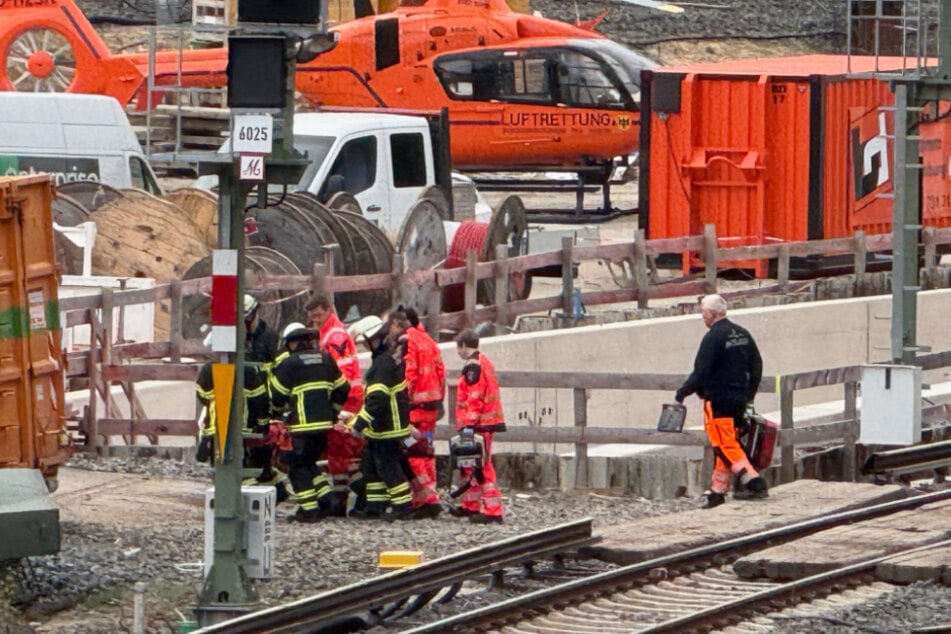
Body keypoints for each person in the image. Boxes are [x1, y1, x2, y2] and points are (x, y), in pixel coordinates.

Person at [675, 294, 768, 509]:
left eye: (703, 312)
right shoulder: (742, 334)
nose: (702, 317)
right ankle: (718, 491)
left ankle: (755, 482)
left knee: (724, 444)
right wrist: (749, 395)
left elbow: (701, 371)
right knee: (726, 444)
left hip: (718, 401)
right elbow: (757, 366)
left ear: (711, 313)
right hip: (739, 400)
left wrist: (683, 393)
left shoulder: (713, 338)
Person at [270, 328, 350, 523]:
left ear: (294, 344)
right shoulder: (326, 359)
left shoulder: (290, 363)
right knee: (308, 463)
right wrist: (333, 411)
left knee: (296, 466)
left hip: (301, 427)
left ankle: (308, 510)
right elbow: (343, 388)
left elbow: (277, 396)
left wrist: (276, 414)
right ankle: (326, 499)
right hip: (324, 426)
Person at [345, 312, 417, 520]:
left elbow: (377, 400)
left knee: (388, 467)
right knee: (371, 465)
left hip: (387, 427)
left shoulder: (382, 365)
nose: (364, 347)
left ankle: (403, 506)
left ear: (372, 339)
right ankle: (374, 506)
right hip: (385, 427)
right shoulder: (387, 359)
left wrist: (358, 424)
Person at [306, 293, 365, 513]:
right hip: (346, 399)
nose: (316, 320)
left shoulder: (334, 336)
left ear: (329, 310)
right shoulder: (328, 334)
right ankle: (343, 496)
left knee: (341, 449)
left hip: (346, 401)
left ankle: (348, 496)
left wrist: (333, 400)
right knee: (340, 450)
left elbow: (342, 371)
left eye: (319, 315)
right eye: (313, 317)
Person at [452, 328, 506, 524]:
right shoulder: (484, 361)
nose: (458, 352)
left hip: (478, 425)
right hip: (485, 423)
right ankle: (471, 505)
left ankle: (493, 510)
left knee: (481, 466)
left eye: (458, 348)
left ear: (464, 346)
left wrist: (468, 425)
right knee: (471, 464)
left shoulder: (473, 367)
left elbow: (474, 398)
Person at [402, 307, 446, 518]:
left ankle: (425, 499)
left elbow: (409, 374)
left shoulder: (409, 340)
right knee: (426, 450)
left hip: (416, 408)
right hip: (432, 407)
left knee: (414, 453)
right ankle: (432, 494)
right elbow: (441, 372)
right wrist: (440, 401)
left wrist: (402, 401)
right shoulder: (428, 339)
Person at [243, 294, 279, 364]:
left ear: (255, 312)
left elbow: (272, 363)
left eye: (248, 317)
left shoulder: (269, 335)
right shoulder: (237, 336)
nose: (245, 321)